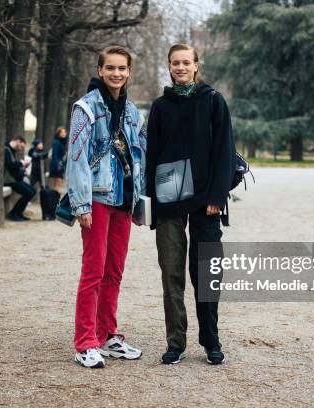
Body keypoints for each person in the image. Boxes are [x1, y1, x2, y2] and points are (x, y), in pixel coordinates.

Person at [146, 44, 236, 365]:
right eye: (175, 63)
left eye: (186, 62)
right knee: (171, 272)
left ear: (197, 66)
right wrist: (151, 203)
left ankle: (211, 339)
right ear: (169, 67)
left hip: (206, 202)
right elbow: (151, 157)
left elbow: (224, 151)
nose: (181, 67)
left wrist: (216, 196)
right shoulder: (159, 107)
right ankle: (176, 341)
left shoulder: (213, 101)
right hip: (168, 201)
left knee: (207, 272)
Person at [66, 45, 147, 368]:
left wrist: (140, 202)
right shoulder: (85, 109)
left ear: (129, 72)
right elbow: (77, 159)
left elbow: (141, 154)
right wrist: (81, 204)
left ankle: (107, 333)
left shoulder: (132, 112)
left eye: (122, 68)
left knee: (114, 271)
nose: (116, 73)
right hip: (97, 200)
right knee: (93, 271)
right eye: (110, 68)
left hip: (124, 202)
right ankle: (85, 341)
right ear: (100, 70)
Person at [4, 136, 35, 222]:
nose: (21, 149)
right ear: (18, 141)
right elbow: (10, 165)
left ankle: (18, 213)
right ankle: (13, 213)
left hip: (13, 179)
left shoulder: (11, 151)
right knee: (29, 192)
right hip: (8, 180)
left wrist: (22, 165)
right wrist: (21, 163)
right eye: (21, 146)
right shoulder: (6, 150)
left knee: (32, 191)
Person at [49, 127, 67, 191]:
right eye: (62, 132)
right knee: (57, 183)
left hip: (61, 164)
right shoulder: (56, 142)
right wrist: (57, 165)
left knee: (59, 182)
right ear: (58, 133)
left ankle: (56, 198)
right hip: (57, 165)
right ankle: (55, 199)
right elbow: (55, 154)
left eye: (64, 132)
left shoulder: (62, 142)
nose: (64, 133)